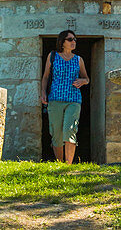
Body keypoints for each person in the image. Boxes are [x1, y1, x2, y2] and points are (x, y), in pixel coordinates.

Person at [40, 30, 89, 163]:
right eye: (70, 39)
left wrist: (82, 81)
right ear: (62, 42)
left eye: (75, 39)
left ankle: (68, 166)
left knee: (70, 131)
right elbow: (45, 77)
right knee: (56, 134)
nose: (74, 42)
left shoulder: (79, 60)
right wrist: (43, 92)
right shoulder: (53, 56)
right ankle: (60, 164)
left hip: (73, 100)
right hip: (55, 99)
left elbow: (87, 78)